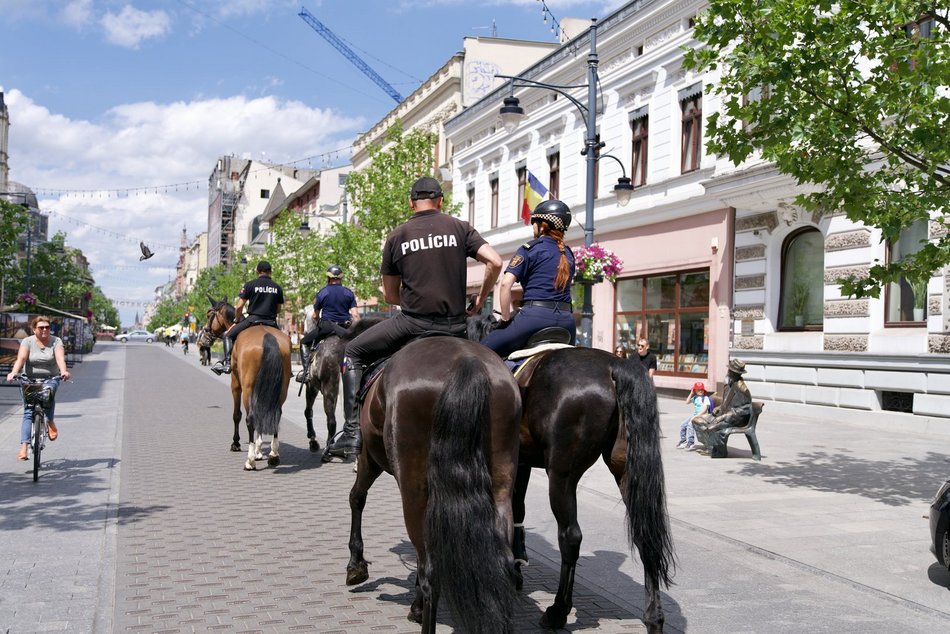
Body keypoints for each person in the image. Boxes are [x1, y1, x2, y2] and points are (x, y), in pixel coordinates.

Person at [324, 176, 502, 460]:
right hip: (456, 327)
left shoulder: (397, 236)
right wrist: (480, 299)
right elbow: (495, 261)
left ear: (411, 203)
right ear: (440, 201)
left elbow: (391, 297)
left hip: (413, 324)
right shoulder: (459, 228)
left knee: (353, 351)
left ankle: (353, 431)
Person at [480, 199, 576, 358]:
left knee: (478, 352)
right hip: (568, 324)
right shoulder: (568, 254)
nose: (532, 227)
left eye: (534, 222)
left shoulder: (530, 249)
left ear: (543, 224)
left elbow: (505, 285)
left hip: (534, 319)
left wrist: (505, 319)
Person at [5, 315, 71, 460]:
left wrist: (64, 371)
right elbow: (21, 359)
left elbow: (60, 359)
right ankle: (24, 447)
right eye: (41, 327)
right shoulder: (27, 342)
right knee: (28, 411)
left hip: (50, 378)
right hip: (29, 378)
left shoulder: (56, 341)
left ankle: (50, 421)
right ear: (34, 329)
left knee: (49, 393)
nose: (44, 330)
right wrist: (14, 373)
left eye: (47, 327)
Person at [211, 260, 284, 375]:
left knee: (228, 336)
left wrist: (236, 319)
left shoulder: (250, 285)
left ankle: (227, 364)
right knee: (285, 342)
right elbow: (278, 309)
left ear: (257, 272)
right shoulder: (277, 288)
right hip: (271, 322)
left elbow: (239, 307)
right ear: (270, 272)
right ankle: (286, 369)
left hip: (253, 320)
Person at [295, 265, 360, 383]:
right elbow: (355, 315)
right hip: (344, 328)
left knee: (304, 342)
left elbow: (315, 316)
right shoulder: (349, 293)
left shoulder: (322, 293)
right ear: (341, 278)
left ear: (328, 278)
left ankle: (306, 373)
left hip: (326, 328)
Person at [677, 382, 713, 451]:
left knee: (690, 424)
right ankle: (683, 440)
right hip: (695, 416)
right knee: (683, 424)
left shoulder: (705, 398)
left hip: (703, 416)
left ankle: (690, 442)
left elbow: (705, 409)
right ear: (695, 391)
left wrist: (696, 416)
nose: (700, 391)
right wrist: (691, 394)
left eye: (702, 389)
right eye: (698, 389)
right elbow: (687, 402)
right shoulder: (695, 398)